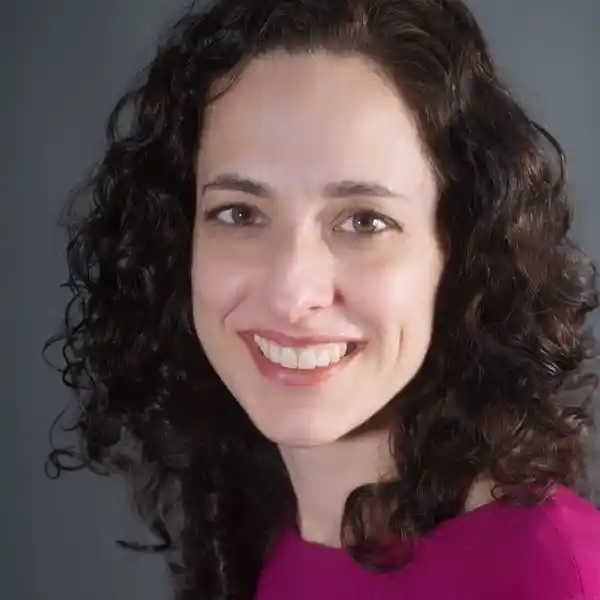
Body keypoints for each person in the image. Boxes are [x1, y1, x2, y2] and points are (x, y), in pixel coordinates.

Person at [45, 0, 600, 598]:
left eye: (364, 221)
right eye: (239, 213)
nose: (292, 293)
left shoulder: (551, 574)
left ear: (461, 253)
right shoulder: (267, 538)